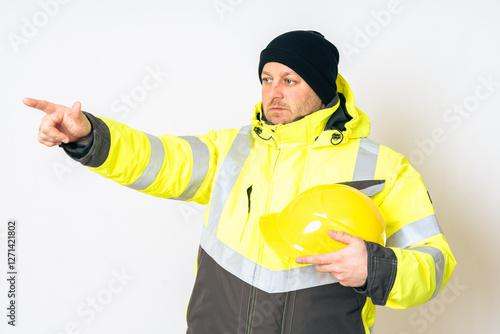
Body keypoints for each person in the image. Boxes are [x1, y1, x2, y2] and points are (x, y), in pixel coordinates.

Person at [24, 30, 456, 334]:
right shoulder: (232, 149)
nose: (274, 93)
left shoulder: (384, 168)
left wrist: (377, 268)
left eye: (291, 80)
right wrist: (89, 136)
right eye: (268, 79)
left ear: (324, 89)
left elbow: (434, 264)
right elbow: (159, 159)